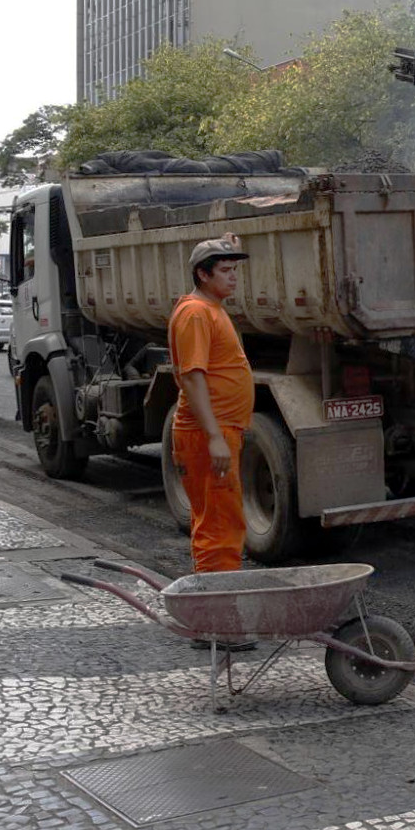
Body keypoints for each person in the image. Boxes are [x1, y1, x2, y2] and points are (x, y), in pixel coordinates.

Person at [169, 234, 253, 577]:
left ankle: (218, 597)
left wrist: (225, 243)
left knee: (222, 518)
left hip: (220, 430)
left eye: (235, 270)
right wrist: (214, 436)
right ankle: (217, 606)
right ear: (203, 275)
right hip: (207, 434)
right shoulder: (196, 314)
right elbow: (192, 377)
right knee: (218, 524)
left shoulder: (210, 309)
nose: (233, 277)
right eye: (225, 270)